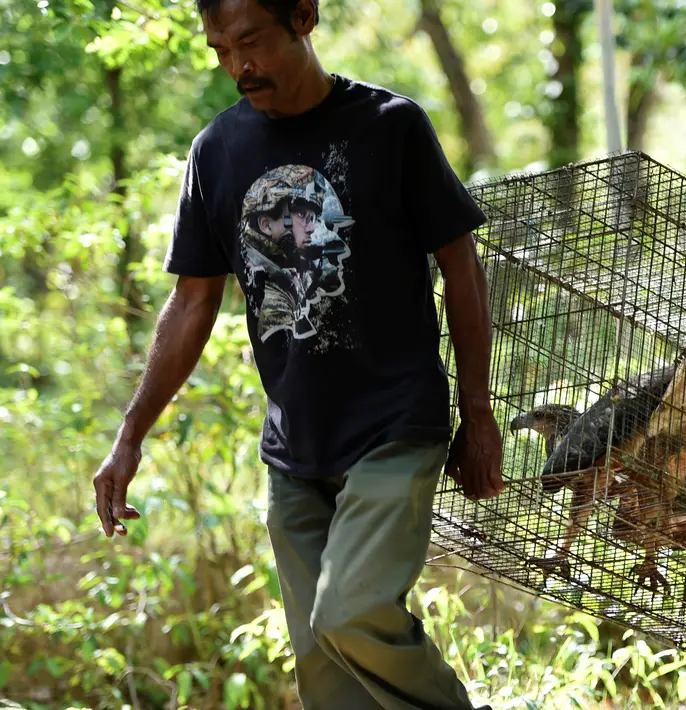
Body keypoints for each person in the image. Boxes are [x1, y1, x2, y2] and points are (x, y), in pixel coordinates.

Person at [89, 0, 504, 707]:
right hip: (295, 442)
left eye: (250, 41)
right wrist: (130, 435)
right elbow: (192, 303)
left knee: (349, 614)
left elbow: (460, 268)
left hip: (394, 422)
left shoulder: (389, 126)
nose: (238, 65)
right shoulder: (216, 151)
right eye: (220, 49)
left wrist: (477, 411)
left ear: (303, 18)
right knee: (323, 670)